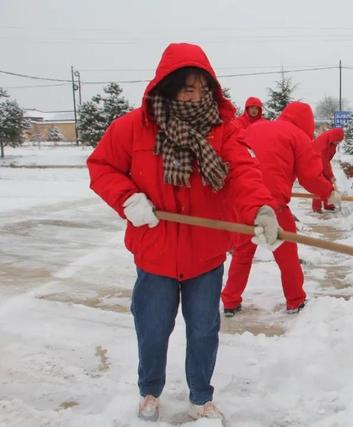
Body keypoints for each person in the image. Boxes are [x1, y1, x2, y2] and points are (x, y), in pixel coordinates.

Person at [86, 43, 278, 422]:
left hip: (204, 256)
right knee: (153, 329)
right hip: (155, 254)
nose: (196, 95)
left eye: (202, 88)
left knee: (204, 331)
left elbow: (242, 173)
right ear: (169, 87)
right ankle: (149, 391)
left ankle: (201, 397)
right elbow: (101, 166)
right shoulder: (133, 128)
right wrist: (128, 200)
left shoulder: (222, 132)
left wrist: (261, 208)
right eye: (188, 88)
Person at [221, 102, 339, 317]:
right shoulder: (298, 136)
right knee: (287, 255)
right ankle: (295, 300)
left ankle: (230, 300)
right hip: (272, 205)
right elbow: (310, 176)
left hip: (245, 201)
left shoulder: (256, 127)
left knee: (242, 254)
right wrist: (328, 192)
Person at [312, 127, 345, 212]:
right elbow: (324, 162)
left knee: (328, 184)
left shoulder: (332, 139)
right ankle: (316, 208)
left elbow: (326, 161)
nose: (338, 143)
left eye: (339, 141)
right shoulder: (324, 146)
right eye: (337, 141)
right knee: (319, 184)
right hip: (314, 162)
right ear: (334, 138)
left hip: (322, 161)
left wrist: (330, 177)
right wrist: (330, 176)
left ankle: (328, 205)